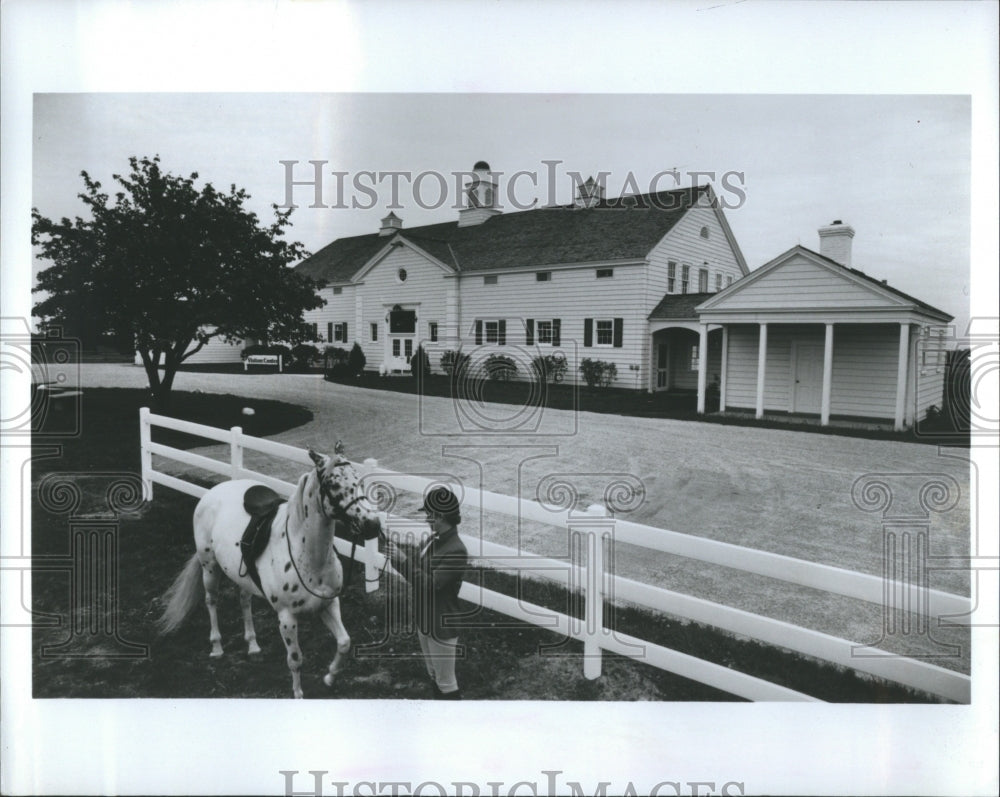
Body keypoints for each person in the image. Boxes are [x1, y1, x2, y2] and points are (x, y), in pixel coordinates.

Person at [386, 486, 469, 700]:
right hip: (425, 621)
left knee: (446, 683)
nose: (426, 520)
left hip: (441, 626)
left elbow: (432, 585)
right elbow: (417, 576)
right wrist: (397, 559)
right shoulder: (432, 541)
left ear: (440, 516)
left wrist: (405, 561)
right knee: (433, 675)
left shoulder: (456, 550)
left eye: (429, 515)